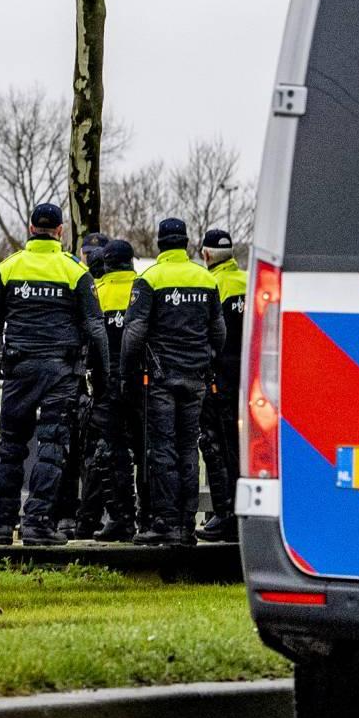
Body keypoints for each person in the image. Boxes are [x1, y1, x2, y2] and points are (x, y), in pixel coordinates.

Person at [0, 204, 110, 545]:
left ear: (29, 228)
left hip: (18, 369)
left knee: (10, 446)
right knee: (52, 447)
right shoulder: (73, 270)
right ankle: (38, 523)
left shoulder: (8, 268)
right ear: (60, 231)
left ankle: (1, 526)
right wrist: (102, 377)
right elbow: (96, 328)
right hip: (61, 371)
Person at [122, 218, 224, 547]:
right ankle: (186, 527)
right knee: (188, 449)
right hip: (195, 377)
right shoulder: (206, 279)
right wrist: (204, 356)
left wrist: (128, 373)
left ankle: (164, 523)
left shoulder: (149, 278)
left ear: (160, 243)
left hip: (161, 378)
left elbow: (134, 334)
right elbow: (219, 332)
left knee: (161, 449)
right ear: (186, 243)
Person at [76, 238, 140, 540]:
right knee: (150, 451)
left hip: (105, 385)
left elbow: (85, 339)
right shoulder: (144, 289)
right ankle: (155, 519)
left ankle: (120, 518)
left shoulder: (96, 293)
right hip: (143, 383)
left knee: (110, 453)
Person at [54, 232, 113, 534]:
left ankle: (73, 515)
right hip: (86, 378)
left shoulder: (78, 283)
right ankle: (86, 514)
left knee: (77, 449)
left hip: (81, 377)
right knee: (88, 450)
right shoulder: (88, 285)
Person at [196, 227, 248, 544]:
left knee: (216, 447)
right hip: (252, 379)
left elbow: (209, 335)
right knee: (245, 448)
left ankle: (225, 515)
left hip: (219, 379)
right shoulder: (248, 282)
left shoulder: (210, 284)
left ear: (205, 255)